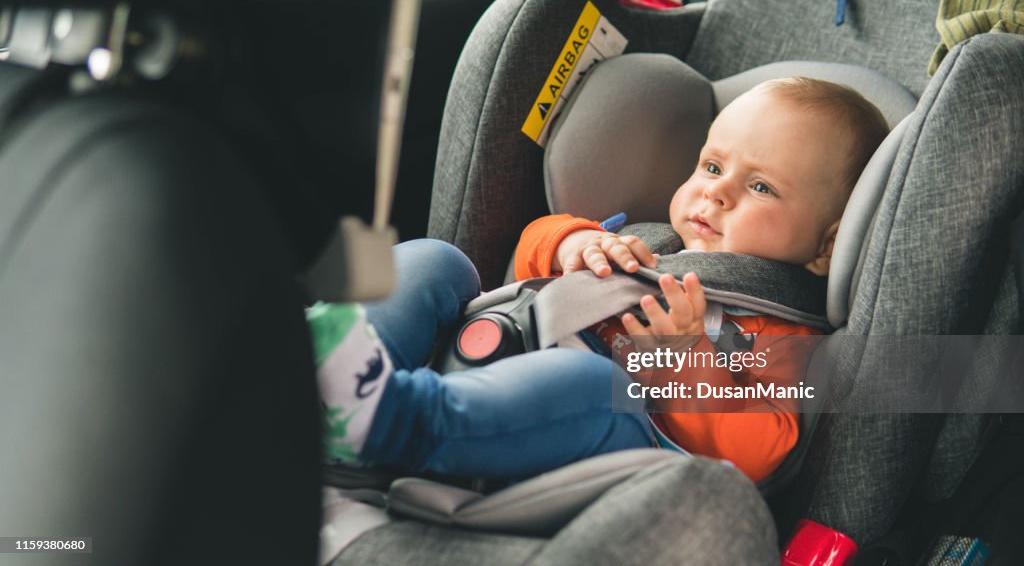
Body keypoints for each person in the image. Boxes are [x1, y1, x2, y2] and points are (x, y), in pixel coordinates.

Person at [315, 77, 889, 482]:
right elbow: (530, 264)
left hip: (614, 454)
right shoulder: (647, 242)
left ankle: (395, 422)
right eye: (712, 167)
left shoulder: (787, 337)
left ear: (827, 246)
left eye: (760, 186)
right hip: (503, 355)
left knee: (590, 386)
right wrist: (574, 243)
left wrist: (685, 364)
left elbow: (763, 453)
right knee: (434, 262)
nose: (716, 191)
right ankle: (326, 377)